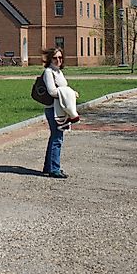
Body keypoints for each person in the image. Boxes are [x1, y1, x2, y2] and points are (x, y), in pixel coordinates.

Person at [41, 47, 80, 179]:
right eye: (55, 58)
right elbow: (52, 91)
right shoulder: (49, 72)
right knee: (57, 138)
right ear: (50, 59)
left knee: (55, 137)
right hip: (53, 109)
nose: (58, 60)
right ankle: (54, 169)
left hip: (60, 108)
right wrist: (69, 92)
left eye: (60, 58)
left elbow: (62, 88)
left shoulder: (58, 72)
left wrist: (70, 92)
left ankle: (49, 167)